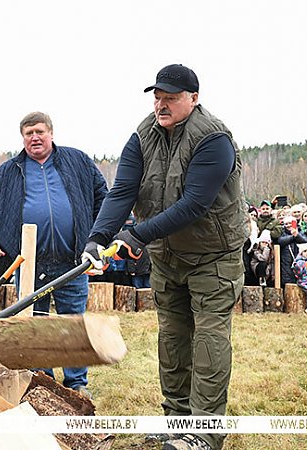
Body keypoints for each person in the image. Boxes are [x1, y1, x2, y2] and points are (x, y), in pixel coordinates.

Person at [81, 64, 245, 450]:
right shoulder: (143, 135)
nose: (161, 105)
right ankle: (177, 423)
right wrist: (97, 238)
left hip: (213, 256)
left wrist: (137, 234)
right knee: (172, 339)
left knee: (207, 339)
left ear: (194, 98)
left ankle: (204, 434)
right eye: (157, 97)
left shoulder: (214, 139)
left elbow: (194, 204)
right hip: (168, 256)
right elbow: (122, 191)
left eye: (170, 98)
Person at [0, 111, 107, 401]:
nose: (34, 137)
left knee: (72, 321)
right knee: (34, 324)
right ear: (22, 138)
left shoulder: (76, 161)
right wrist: (9, 241)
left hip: (72, 260)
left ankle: (76, 382)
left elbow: (103, 195)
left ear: (51, 133)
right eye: (28, 133)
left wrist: (95, 234)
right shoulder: (9, 171)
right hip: (29, 264)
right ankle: (42, 380)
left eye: (39, 131)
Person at [276, 216, 307, 288]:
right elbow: (280, 241)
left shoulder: (300, 231)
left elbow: (305, 241)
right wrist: (293, 237)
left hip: (300, 262)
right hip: (286, 262)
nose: (288, 225)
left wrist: (297, 235)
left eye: (290, 223)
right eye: (286, 224)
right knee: (288, 283)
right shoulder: (282, 232)